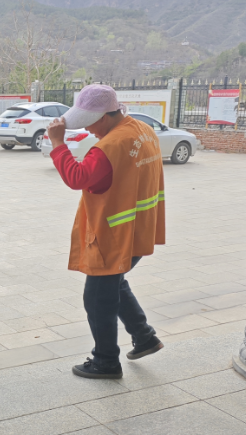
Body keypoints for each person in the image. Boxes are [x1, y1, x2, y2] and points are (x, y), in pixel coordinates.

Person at [46, 84, 166, 379]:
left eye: (88, 123)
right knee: (114, 283)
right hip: (139, 228)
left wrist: (58, 143)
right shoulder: (142, 129)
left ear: (103, 116)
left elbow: (77, 178)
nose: (87, 130)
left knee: (97, 298)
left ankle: (106, 361)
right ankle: (144, 336)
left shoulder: (109, 147)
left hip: (114, 234)